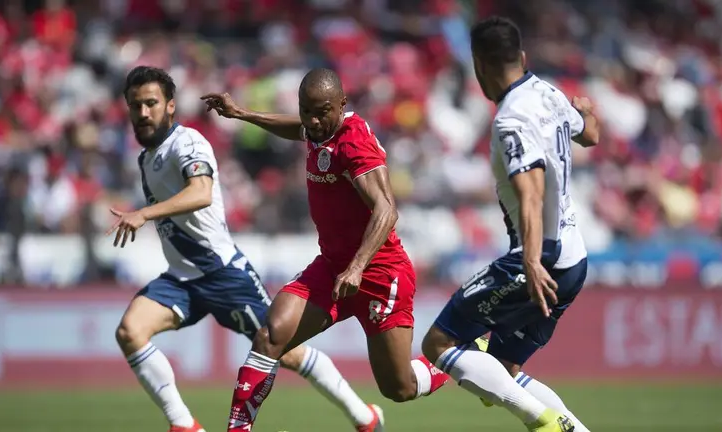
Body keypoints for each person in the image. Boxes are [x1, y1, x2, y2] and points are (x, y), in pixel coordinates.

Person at [110, 66, 375, 432]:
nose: (143, 113)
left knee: (290, 354)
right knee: (129, 332)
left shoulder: (187, 143)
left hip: (223, 274)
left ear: (171, 106)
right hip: (183, 278)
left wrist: (143, 214)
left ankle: (364, 416)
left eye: (151, 103)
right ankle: (184, 426)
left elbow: (201, 193)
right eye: (135, 105)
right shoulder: (146, 158)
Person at [202, 68, 449, 432]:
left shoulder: (353, 143)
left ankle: (457, 356)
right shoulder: (318, 128)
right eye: (306, 111)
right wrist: (243, 114)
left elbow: (387, 209)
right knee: (271, 335)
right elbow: (297, 129)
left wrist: (358, 267)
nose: (313, 122)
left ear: (342, 105)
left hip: (379, 272)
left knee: (399, 388)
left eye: (321, 112)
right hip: (333, 267)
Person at [420, 16, 601, 432]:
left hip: (540, 257)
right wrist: (588, 111)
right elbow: (589, 135)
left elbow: (531, 193)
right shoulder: (549, 93)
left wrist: (532, 261)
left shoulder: (510, 121)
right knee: (503, 366)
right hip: (575, 256)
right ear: (521, 57)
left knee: (439, 343)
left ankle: (542, 422)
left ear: (479, 66)